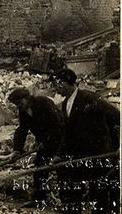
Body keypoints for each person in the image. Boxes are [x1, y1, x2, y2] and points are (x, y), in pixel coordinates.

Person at [51, 68, 120, 214]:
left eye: (56, 84)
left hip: (99, 153)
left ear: (64, 83)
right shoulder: (65, 104)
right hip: (79, 155)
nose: (55, 88)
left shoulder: (90, 98)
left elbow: (116, 116)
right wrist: (59, 153)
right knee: (71, 190)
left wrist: (119, 145)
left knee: (99, 194)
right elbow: (67, 133)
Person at [7, 87, 64, 207]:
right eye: (16, 104)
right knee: (39, 168)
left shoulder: (43, 103)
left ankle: (68, 203)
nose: (18, 106)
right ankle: (38, 199)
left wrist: (47, 142)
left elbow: (57, 125)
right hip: (45, 144)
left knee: (62, 169)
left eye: (20, 103)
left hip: (61, 141)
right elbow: (22, 130)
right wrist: (17, 150)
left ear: (27, 98)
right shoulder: (23, 111)